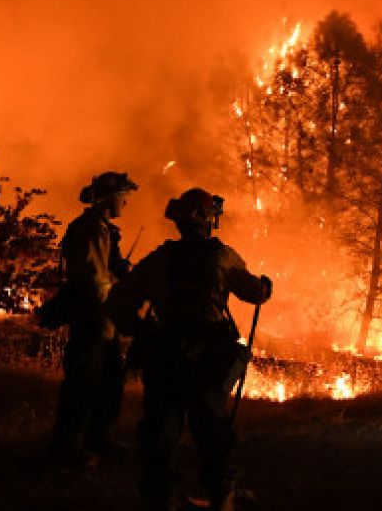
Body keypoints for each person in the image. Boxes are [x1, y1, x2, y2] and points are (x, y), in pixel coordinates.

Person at [105, 188, 272, 511]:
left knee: (162, 428)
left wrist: (142, 330)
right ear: (208, 220)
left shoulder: (160, 258)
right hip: (208, 355)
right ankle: (222, 495)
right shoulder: (222, 256)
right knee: (210, 426)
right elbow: (254, 293)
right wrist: (265, 287)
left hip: (164, 353)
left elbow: (117, 302)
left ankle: (162, 496)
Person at [51, 171, 137, 468]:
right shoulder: (91, 230)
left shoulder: (102, 229)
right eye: (124, 196)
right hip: (94, 317)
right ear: (109, 197)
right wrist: (105, 316)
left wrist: (120, 271)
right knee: (84, 382)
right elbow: (92, 278)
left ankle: (98, 437)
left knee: (110, 380)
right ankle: (69, 446)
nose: (126, 202)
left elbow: (104, 271)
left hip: (105, 317)